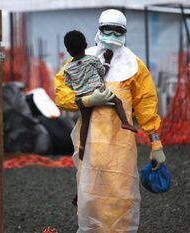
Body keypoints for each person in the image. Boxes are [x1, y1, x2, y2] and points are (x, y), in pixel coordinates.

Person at [55, 9, 166, 232]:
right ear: (99, 28)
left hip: (121, 148)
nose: (113, 34)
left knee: (122, 196)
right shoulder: (81, 60)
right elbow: (60, 94)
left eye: (118, 30)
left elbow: (146, 105)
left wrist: (156, 143)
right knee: (90, 196)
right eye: (108, 29)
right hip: (90, 145)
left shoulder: (134, 66)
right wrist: (85, 100)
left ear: (125, 32)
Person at [62, 30, 137, 160]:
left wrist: (80, 87)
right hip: (98, 91)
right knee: (117, 102)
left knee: (85, 123)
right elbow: (103, 72)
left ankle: (82, 146)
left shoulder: (68, 68)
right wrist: (107, 60)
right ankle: (125, 122)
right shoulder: (92, 60)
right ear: (85, 45)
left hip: (83, 97)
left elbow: (68, 83)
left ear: (68, 50)